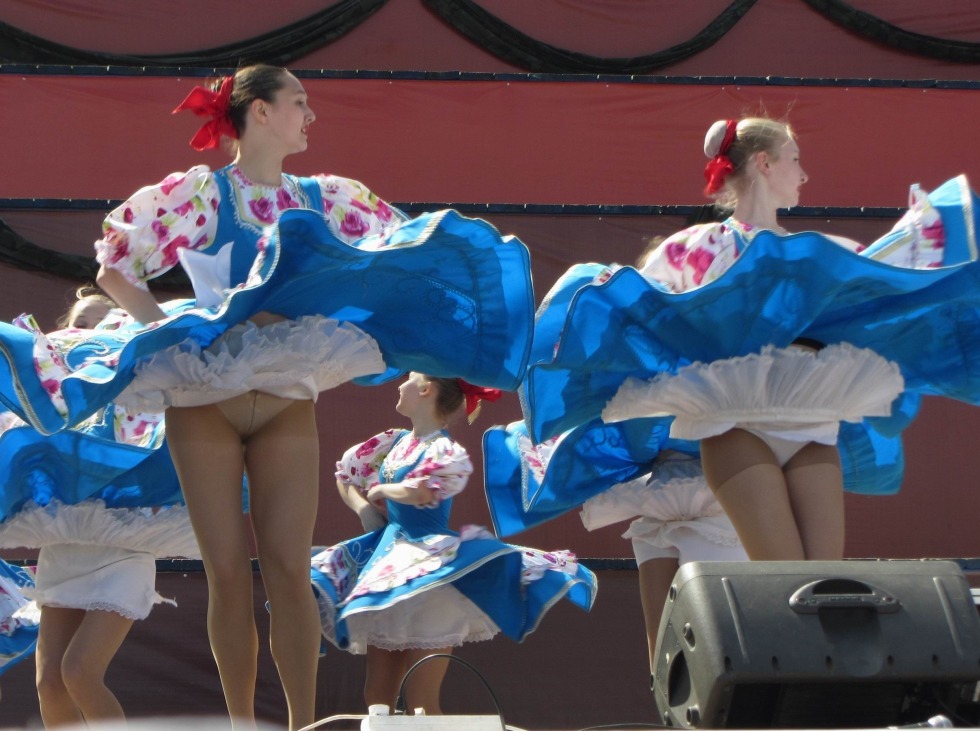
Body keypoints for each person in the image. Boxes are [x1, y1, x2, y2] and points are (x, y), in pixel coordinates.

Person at [78, 64, 534, 730]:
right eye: (299, 102)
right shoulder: (203, 192)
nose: (310, 116)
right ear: (258, 112)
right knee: (229, 571)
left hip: (285, 392)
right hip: (205, 395)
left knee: (290, 569)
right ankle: (242, 723)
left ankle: (299, 724)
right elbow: (113, 266)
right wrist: (167, 336)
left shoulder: (324, 199)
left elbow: (405, 244)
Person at [520, 116, 980, 564]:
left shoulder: (816, 251)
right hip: (732, 427)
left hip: (809, 425)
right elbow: (644, 318)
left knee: (825, 585)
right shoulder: (695, 250)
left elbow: (883, 277)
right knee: (785, 584)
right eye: (794, 159)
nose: (804, 174)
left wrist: (921, 238)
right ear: (763, 163)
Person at [311, 374, 596, 715]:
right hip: (385, 566)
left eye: (408, 378)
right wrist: (364, 510)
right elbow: (345, 474)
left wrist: (383, 491)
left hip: (433, 571)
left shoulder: (444, 450)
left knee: (421, 699)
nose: (398, 385)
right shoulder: (394, 442)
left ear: (425, 389)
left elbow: (425, 491)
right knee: (376, 696)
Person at [0, 289, 196, 727]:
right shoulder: (41, 404)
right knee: (50, 682)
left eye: (103, 324)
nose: (88, 333)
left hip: (124, 546)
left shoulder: (139, 397)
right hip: (65, 545)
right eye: (81, 324)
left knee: (80, 672)